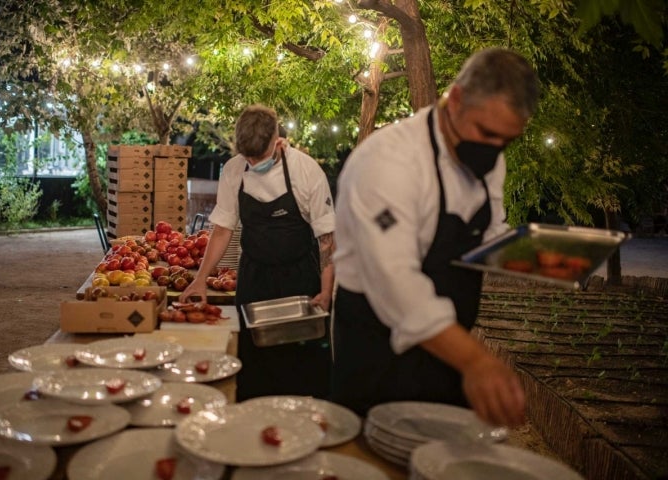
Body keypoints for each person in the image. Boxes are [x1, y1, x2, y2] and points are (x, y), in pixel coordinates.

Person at [331, 47, 539, 427]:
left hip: (448, 346)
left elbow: (490, 234)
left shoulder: (487, 155)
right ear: (455, 99)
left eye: (506, 142)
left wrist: (541, 253)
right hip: (378, 351)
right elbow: (396, 281)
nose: (494, 151)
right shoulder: (388, 163)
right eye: (487, 133)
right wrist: (476, 360)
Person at [179, 104, 336, 401]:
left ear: (277, 139)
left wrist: (326, 291)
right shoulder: (234, 169)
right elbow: (223, 229)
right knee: (253, 365)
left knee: (301, 366)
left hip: (299, 279)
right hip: (254, 278)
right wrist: (200, 279)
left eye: (258, 157)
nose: (252, 163)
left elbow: (326, 239)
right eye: (247, 157)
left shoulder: (305, 171)